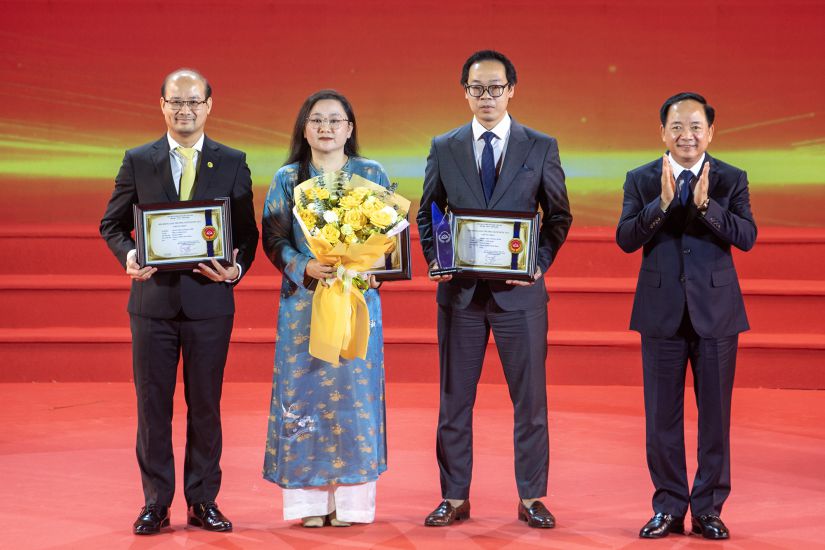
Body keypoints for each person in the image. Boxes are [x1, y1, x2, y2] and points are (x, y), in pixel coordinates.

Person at [416, 50, 572, 528]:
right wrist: (437, 259)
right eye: (477, 88)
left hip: (519, 297)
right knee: (454, 400)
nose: (487, 97)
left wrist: (538, 263)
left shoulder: (540, 146)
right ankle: (455, 497)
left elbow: (559, 215)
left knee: (529, 401)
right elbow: (428, 213)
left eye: (496, 88)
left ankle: (531, 497)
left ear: (511, 90)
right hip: (460, 297)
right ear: (465, 92)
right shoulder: (445, 146)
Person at [100, 68, 258, 535]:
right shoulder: (137, 160)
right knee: (153, 407)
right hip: (152, 305)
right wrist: (129, 254)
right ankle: (156, 503)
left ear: (210, 105)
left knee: (206, 406)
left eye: (194, 102)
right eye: (176, 102)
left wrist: (236, 269)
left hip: (210, 303)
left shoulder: (232, 160)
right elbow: (111, 224)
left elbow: (245, 234)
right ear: (162, 105)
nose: (184, 110)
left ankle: (203, 500)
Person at [616, 92, 756, 540]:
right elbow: (625, 239)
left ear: (710, 132)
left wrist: (703, 206)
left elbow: (747, 236)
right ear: (662, 132)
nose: (687, 135)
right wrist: (660, 205)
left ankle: (709, 508)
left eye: (696, 127)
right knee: (661, 419)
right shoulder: (641, 179)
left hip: (715, 314)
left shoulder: (731, 179)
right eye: (677, 127)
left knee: (715, 418)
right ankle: (669, 507)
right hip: (661, 315)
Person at [261, 89, 390, 527]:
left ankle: (353, 503)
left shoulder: (371, 173)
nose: (326, 128)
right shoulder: (286, 178)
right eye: (317, 120)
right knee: (306, 398)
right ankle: (311, 504)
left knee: (354, 398)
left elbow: (390, 239)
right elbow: (273, 238)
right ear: (304, 128)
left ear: (349, 129)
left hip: (355, 301)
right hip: (304, 304)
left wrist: (376, 270)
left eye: (335, 121)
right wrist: (305, 265)